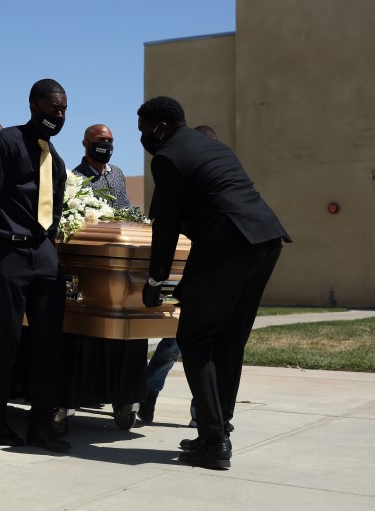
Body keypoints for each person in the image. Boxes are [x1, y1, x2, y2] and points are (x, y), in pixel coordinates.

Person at [138, 96, 290, 470]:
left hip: (229, 242)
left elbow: (167, 224)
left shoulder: (168, 157)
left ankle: (213, 439)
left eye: (144, 130)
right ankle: (218, 427)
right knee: (230, 339)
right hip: (266, 240)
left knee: (193, 336)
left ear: (160, 126)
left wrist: (156, 279)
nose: (143, 137)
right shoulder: (212, 147)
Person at [0, 78, 71, 452]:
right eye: (52, 108)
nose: (58, 115)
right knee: (4, 341)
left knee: (48, 343)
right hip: (6, 253)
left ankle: (40, 424)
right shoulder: (7, 142)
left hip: (43, 253)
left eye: (62, 109)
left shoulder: (54, 158)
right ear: (34, 106)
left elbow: (55, 207)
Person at [138, 123, 221, 425]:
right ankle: (149, 393)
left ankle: (204, 414)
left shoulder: (216, 174)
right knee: (176, 340)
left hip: (212, 265)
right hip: (181, 264)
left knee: (197, 342)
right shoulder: (177, 172)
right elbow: (159, 222)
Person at [71, 124, 130, 209]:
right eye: (100, 140)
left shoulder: (117, 173)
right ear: (85, 144)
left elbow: (126, 206)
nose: (107, 144)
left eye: (110, 141)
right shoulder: (76, 178)